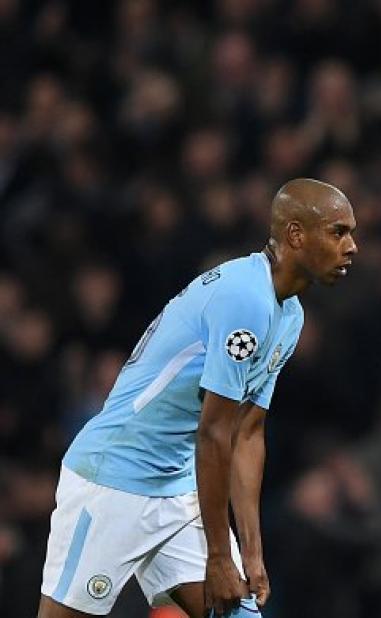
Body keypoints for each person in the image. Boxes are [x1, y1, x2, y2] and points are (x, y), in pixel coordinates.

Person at [38, 179, 358, 617]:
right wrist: (219, 557)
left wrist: (251, 551)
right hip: (113, 479)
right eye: (338, 232)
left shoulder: (290, 314)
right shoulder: (245, 299)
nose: (352, 246)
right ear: (297, 234)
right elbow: (214, 431)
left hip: (177, 485)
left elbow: (248, 433)